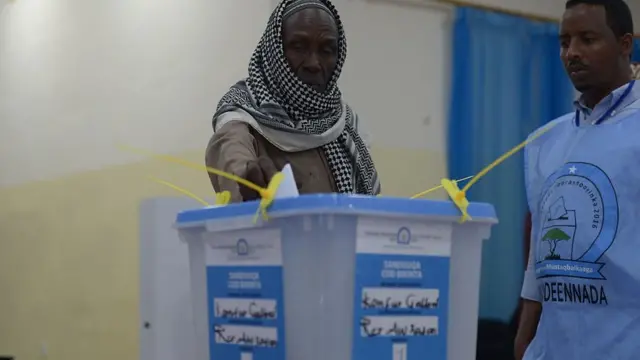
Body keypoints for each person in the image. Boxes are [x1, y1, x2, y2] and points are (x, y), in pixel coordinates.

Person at [515, 0, 639, 358]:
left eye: (587, 39)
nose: (572, 53)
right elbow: (539, 252)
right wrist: (525, 333)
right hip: (553, 347)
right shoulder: (544, 141)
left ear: (625, 44)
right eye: (565, 42)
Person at [205, 0, 380, 202]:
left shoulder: (345, 125)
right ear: (274, 50)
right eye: (298, 47)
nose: (314, 63)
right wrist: (246, 177)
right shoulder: (243, 113)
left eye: (326, 50)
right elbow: (232, 153)